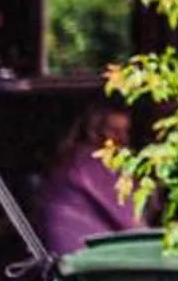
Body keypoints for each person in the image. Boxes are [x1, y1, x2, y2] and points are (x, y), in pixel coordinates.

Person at [37, 103, 144, 257]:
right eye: (114, 131)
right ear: (94, 131)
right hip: (85, 256)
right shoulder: (94, 162)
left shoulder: (72, 157)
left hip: (67, 252)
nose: (123, 139)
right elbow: (132, 223)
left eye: (125, 131)